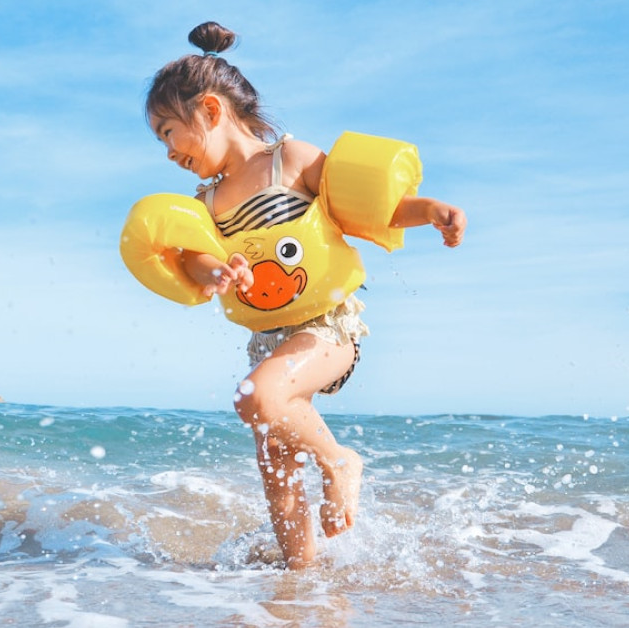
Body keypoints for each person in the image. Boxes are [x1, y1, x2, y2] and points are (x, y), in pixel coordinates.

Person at [141, 22, 466, 569]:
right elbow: (194, 258)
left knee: (254, 399)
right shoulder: (207, 200)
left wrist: (429, 209)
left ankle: (340, 463)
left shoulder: (288, 161)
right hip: (267, 341)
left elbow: (366, 208)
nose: (168, 151)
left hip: (328, 328)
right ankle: (299, 581)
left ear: (212, 111)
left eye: (168, 131)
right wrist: (217, 270)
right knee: (276, 464)